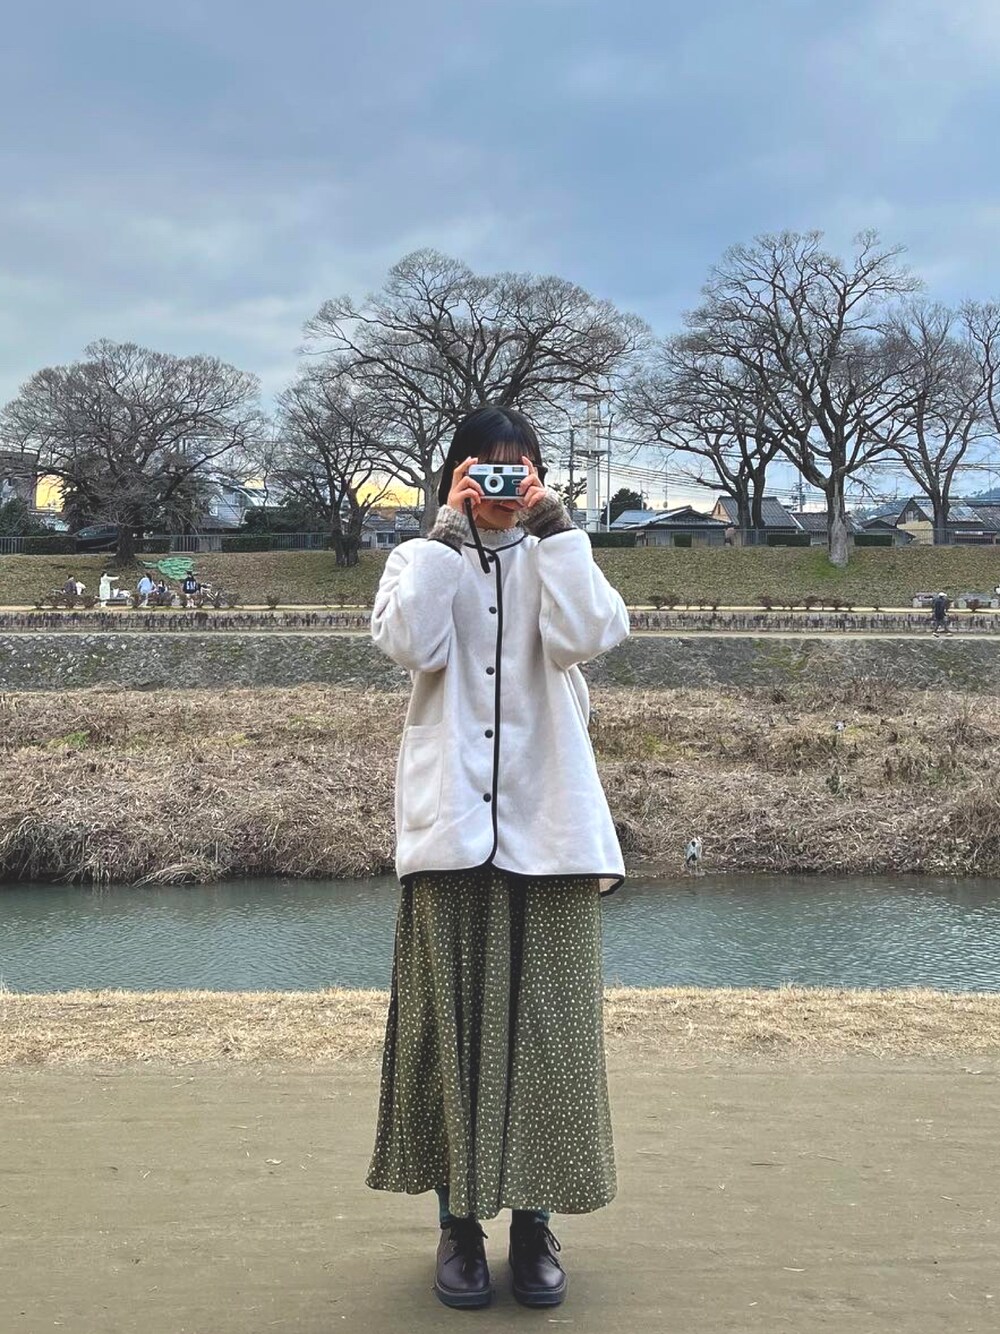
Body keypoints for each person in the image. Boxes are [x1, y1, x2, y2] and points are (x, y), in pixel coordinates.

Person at [366, 405, 630, 1311]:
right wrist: (446, 533)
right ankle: (458, 1228)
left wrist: (554, 529)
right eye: (487, 467)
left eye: (520, 468)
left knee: (546, 1039)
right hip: (449, 831)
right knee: (453, 1038)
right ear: (456, 474)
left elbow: (591, 634)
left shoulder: (558, 553)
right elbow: (409, 644)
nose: (503, 483)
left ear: (541, 477)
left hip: (550, 828)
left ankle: (533, 1226)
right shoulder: (419, 557)